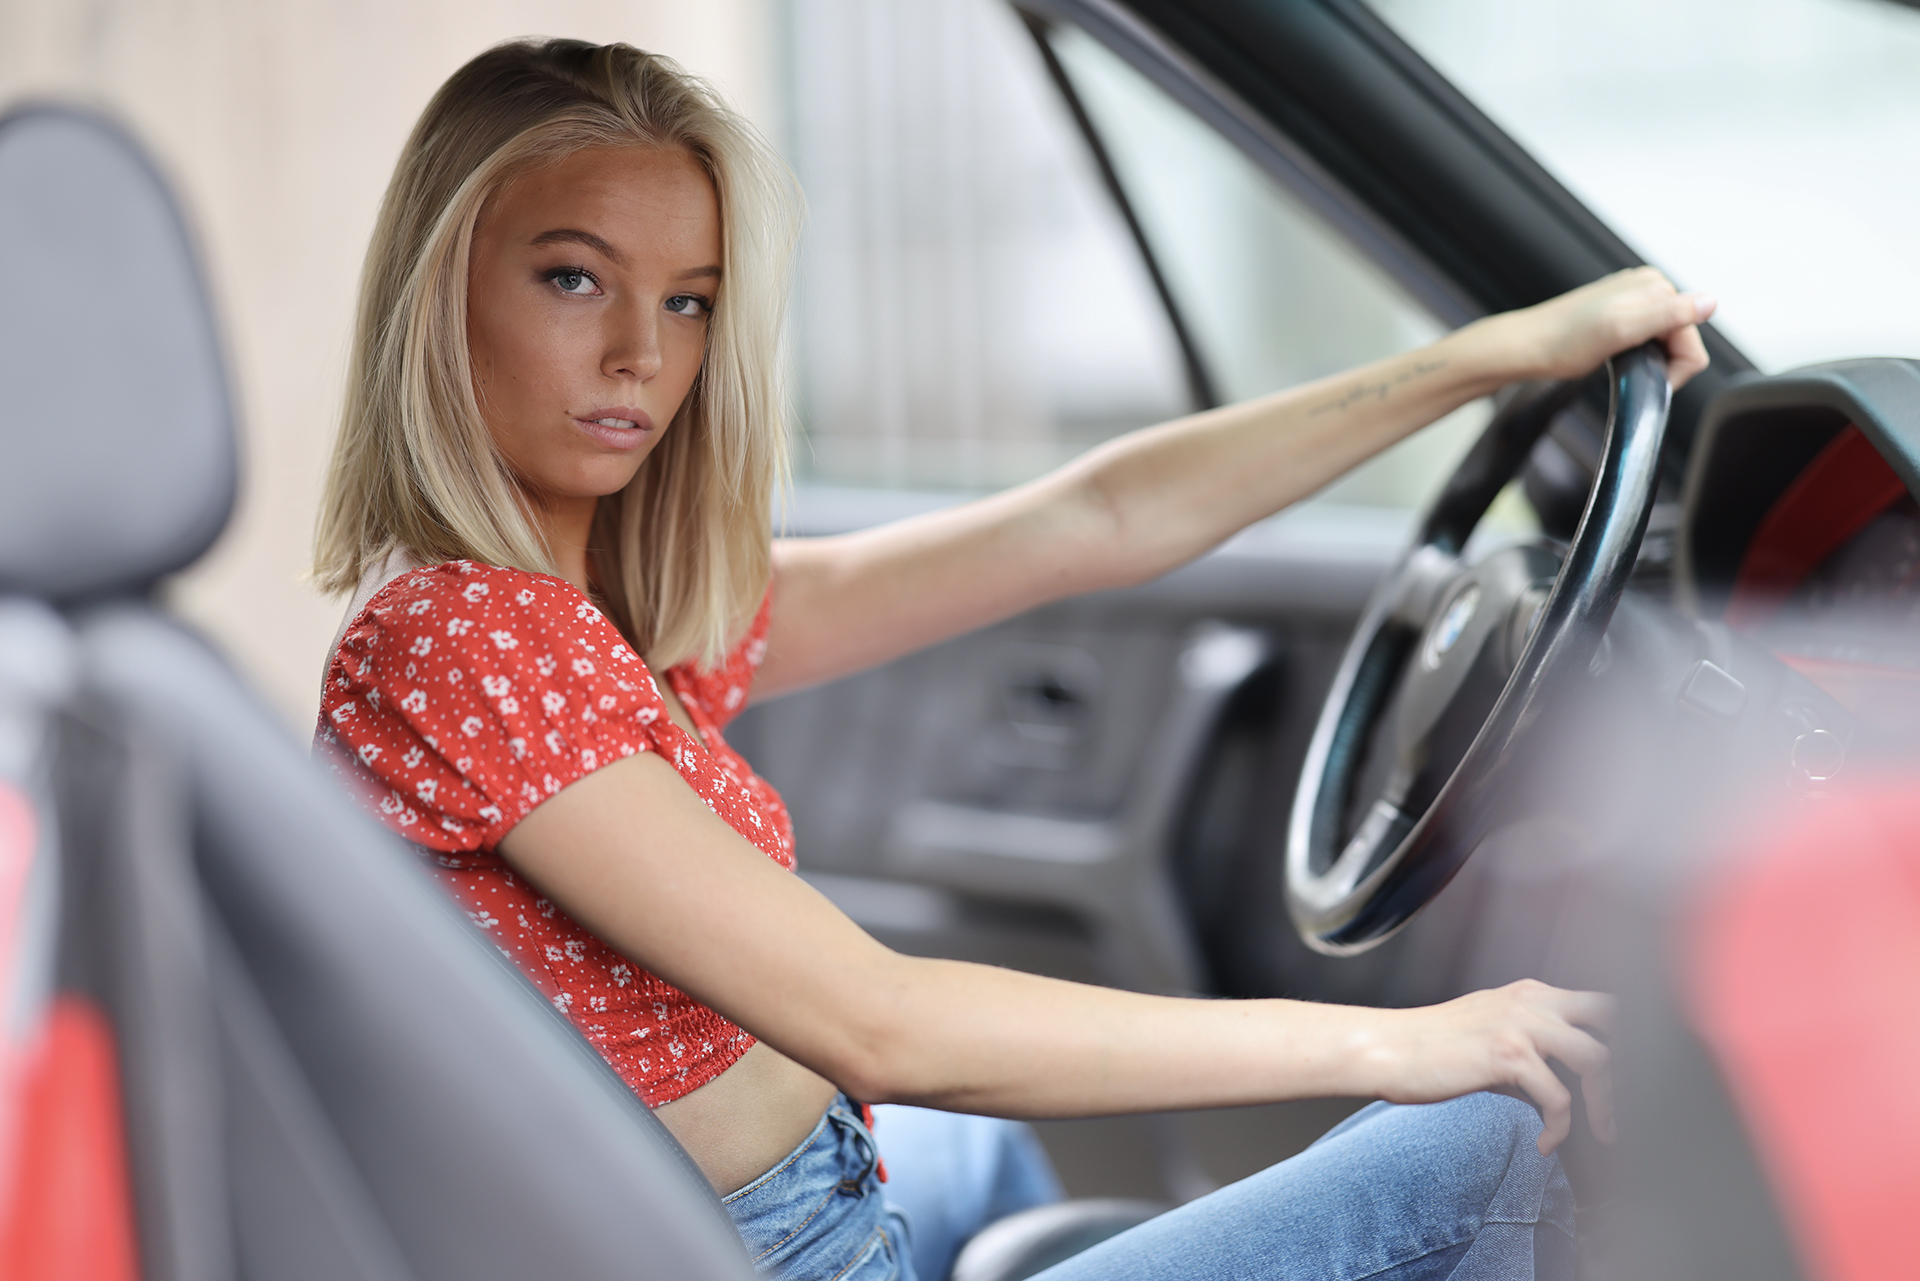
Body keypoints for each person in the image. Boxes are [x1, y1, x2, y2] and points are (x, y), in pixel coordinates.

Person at [312, 38, 1713, 1281]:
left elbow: (1097, 518)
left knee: (970, 1168)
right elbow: (885, 1023)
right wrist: (1394, 1041)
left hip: (801, 1203)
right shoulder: (464, 638)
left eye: (689, 301)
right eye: (574, 277)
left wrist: (1489, 356)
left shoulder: (604, 608)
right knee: (1483, 1147)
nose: (640, 353)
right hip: (771, 1248)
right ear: (444, 291)